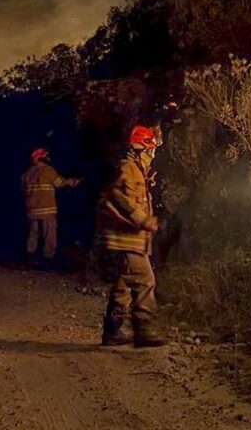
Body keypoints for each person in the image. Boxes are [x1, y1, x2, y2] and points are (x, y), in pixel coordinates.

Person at [98, 125, 165, 348]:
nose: (153, 155)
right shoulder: (127, 167)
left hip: (131, 239)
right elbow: (117, 195)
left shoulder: (138, 170)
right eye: (151, 150)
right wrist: (142, 220)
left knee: (123, 285)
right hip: (126, 239)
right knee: (146, 281)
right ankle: (144, 331)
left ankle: (112, 332)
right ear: (142, 148)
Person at [21, 148, 80, 263]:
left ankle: (30, 256)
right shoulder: (48, 170)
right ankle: (48, 258)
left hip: (31, 210)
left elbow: (22, 190)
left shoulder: (26, 174)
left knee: (33, 233)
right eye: (46, 156)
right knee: (49, 233)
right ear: (42, 158)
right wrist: (72, 182)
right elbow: (60, 183)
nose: (49, 158)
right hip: (46, 209)